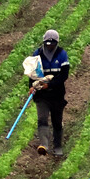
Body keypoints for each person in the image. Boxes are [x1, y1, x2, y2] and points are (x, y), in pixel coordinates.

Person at [29, 29, 70, 157]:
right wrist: (31, 86)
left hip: (57, 94)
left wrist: (50, 84)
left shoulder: (61, 54)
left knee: (57, 121)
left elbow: (64, 75)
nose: (50, 46)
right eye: (47, 44)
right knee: (42, 118)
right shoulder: (38, 54)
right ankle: (44, 145)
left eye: (52, 44)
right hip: (42, 95)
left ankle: (57, 146)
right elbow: (32, 73)